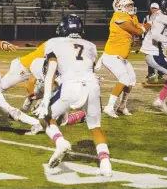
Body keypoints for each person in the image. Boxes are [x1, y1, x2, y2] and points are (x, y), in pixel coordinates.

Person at [34, 14, 112, 177]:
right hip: (92, 86)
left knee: (44, 117)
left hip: (70, 86)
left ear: (62, 29)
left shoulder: (54, 43)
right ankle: (106, 165)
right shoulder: (90, 45)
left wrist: (46, 99)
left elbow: (50, 74)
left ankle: (60, 142)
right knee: (95, 126)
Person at [95, 0, 151, 118]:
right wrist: (147, 26)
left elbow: (138, 25)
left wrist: (150, 23)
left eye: (131, 5)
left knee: (131, 80)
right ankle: (109, 107)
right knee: (124, 79)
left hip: (121, 57)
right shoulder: (119, 16)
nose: (131, 7)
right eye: (128, 5)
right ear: (119, 7)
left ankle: (122, 106)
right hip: (111, 55)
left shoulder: (130, 16)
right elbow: (138, 31)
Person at [140, 0, 167, 113]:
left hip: (158, 55)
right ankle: (160, 99)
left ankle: (160, 100)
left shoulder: (162, 16)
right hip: (154, 55)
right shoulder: (162, 18)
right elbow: (155, 36)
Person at [140, 3, 164, 80]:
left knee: (159, 57)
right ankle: (151, 73)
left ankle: (161, 73)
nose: (154, 10)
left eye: (155, 8)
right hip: (149, 40)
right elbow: (144, 28)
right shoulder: (147, 17)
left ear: (158, 9)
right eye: (152, 8)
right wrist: (143, 39)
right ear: (150, 9)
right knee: (149, 57)